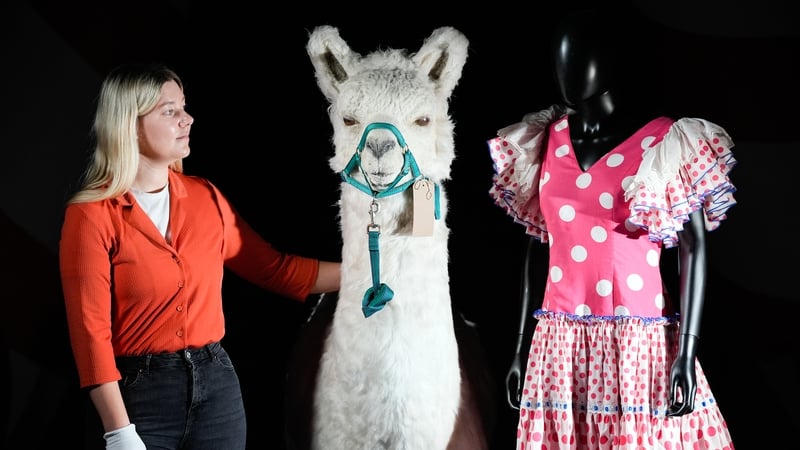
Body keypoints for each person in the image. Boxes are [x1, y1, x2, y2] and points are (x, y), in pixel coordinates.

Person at [487, 8, 736, 449]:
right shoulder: (544, 140)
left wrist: (687, 350)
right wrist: (521, 344)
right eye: (560, 60)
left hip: (635, 342)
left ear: (609, 60)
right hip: (558, 344)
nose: (567, 70)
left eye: (579, 58)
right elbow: (539, 244)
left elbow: (694, 248)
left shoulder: (665, 142)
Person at [58, 63, 341, 450]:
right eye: (169, 111)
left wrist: (377, 272)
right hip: (138, 401)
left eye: (184, 107)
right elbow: (90, 335)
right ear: (130, 124)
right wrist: (119, 432)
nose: (187, 119)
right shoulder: (91, 215)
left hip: (217, 393)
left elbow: (277, 271)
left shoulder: (206, 198)